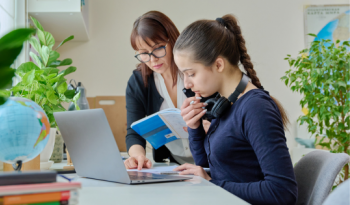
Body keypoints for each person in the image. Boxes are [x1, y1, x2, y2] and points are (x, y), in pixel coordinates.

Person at [172, 15, 298, 205]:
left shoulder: (255, 108)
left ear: (219, 64)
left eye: (191, 74)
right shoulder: (225, 103)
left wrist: (212, 184)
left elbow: (282, 192)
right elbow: (209, 166)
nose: (187, 84)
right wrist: (194, 127)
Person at [124, 11, 215, 170]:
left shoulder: (196, 71)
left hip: (213, 162)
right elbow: (133, 132)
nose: (152, 60)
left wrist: (210, 125)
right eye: (144, 53)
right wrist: (137, 156)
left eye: (158, 48)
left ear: (173, 40)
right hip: (175, 166)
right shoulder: (139, 81)